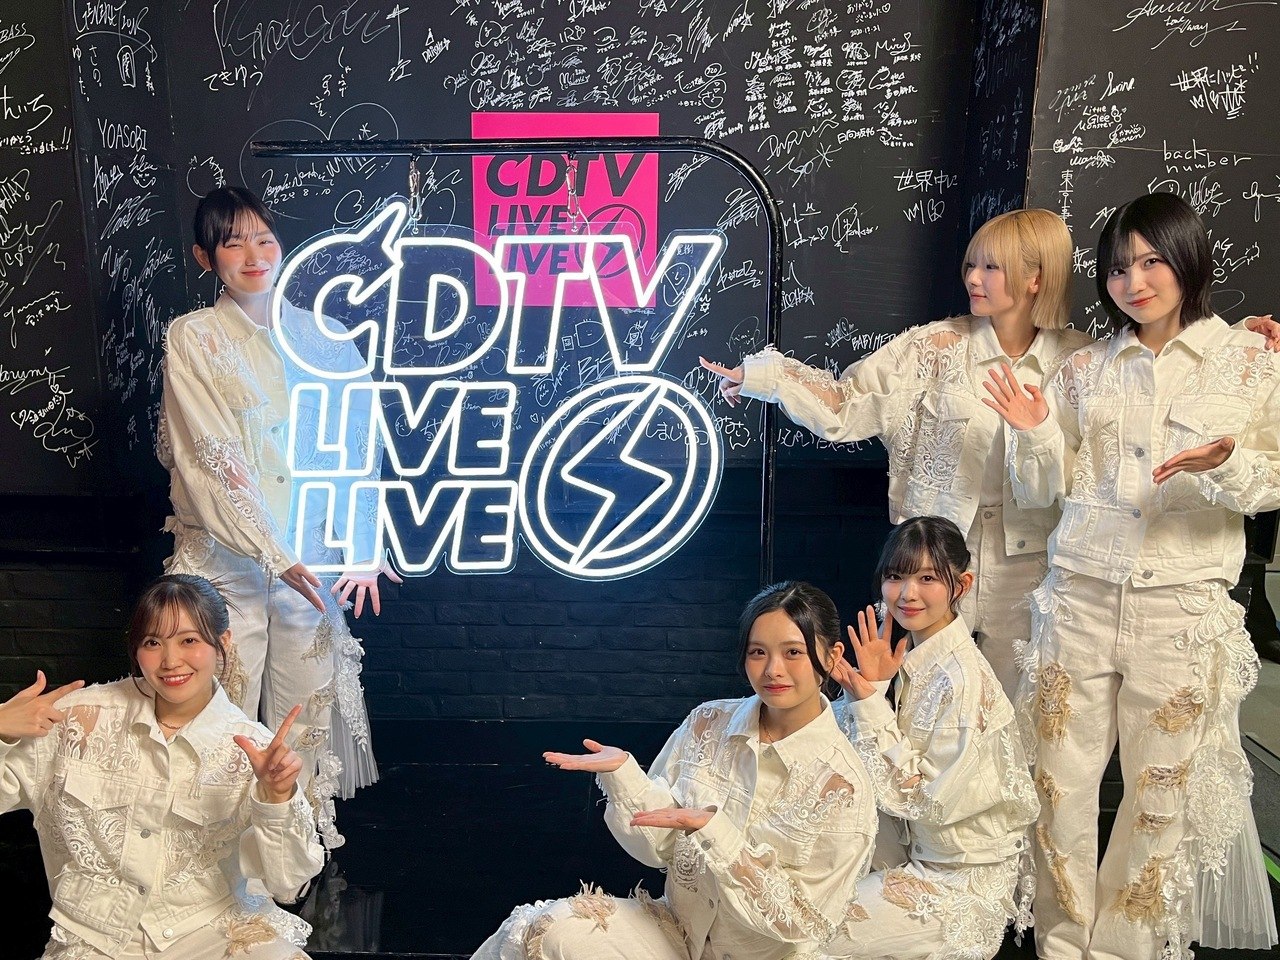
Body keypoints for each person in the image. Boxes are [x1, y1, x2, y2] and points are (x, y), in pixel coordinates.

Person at [983, 190, 1279, 960]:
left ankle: (1124, 950)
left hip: (1181, 612)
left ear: (1188, 259)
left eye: (1151, 262)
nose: (1134, 282)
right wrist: (1034, 434)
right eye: (1118, 268)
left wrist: (1226, 464)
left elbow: (1274, 479)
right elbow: (1043, 491)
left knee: (1159, 798)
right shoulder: (1084, 370)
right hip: (1077, 601)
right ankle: (1061, 945)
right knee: (1057, 791)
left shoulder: (1249, 360)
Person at [701, 209, 1089, 698]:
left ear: (1036, 278)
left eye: (992, 267)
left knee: (1014, 705)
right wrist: (765, 379)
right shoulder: (935, 348)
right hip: (932, 562)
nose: (973, 278)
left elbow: (1085, 480)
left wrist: (1039, 431)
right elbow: (847, 403)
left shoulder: (1079, 362)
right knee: (913, 695)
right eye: (972, 264)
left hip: (1027, 567)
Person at [157, 186, 399, 846]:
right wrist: (272, 550)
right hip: (224, 558)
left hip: (312, 554)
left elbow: (359, 445)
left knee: (306, 702)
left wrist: (363, 544)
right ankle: (218, 844)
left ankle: (296, 836)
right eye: (233, 242)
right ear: (205, 257)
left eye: (263, 238)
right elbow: (212, 457)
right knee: (221, 699)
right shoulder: (194, 338)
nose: (253, 254)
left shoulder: (326, 337)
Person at [470, 581, 876, 960]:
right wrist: (625, 776)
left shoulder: (844, 784)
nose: (773, 669)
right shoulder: (708, 722)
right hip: (678, 934)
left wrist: (715, 832)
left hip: (767, 955)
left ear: (832, 656)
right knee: (543, 929)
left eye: (793, 652)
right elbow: (657, 850)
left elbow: (800, 922)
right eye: (758, 652)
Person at [0, 574, 325, 960]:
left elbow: (288, 883)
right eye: (153, 642)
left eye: (189, 640)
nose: (171, 662)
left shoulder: (253, 749)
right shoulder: (78, 718)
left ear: (223, 642)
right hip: (96, 937)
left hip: (210, 930)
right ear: (137, 649)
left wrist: (277, 798)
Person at [823, 516, 1038, 960]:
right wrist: (874, 686)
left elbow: (926, 801)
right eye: (895, 576)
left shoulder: (963, 680)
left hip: (956, 879)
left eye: (927, 578)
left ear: (961, 585)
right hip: (907, 853)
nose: (907, 594)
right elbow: (848, 758)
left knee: (806, 934)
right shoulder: (916, 656)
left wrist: (869, 702)